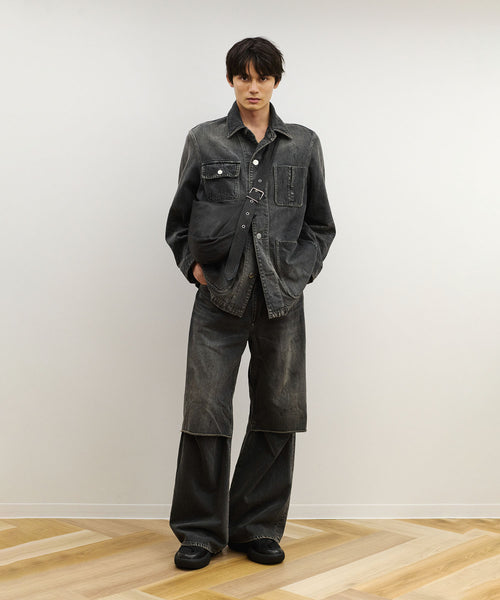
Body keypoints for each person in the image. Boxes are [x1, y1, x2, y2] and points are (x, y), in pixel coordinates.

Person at [165, 37, 335, 570]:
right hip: (219, 300)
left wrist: (298, 274)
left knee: (278, 411)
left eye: (262, 77)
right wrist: (195, 268)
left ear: (276, 81)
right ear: (231, 80)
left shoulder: (303, 144)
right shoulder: (205, 140)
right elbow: (179, 220)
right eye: (244, 77)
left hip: (281, 301)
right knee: (205, 412)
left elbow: (320, 226)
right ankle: (200, 533)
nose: (253, 87)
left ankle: (256, 527)